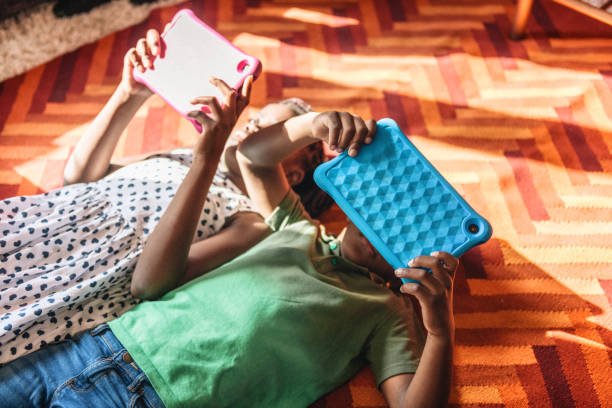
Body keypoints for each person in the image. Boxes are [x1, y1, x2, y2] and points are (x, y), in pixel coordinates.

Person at [0, 81, 459, 407]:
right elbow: (253, 157)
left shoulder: (383, 312)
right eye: (382, 209)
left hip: (152, 398)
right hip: (92, 346)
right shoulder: (297, 228)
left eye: (408, 234)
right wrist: (316, 123)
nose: (383, 227)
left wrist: (440, 330)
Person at [0, 28, 330, 363]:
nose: (250, 128)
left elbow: (149, 284)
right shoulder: (182, 156)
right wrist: (129, 95)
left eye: (272, 133)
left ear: (292, 175)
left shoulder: (250, 221)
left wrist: (208, 158)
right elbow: (80, 180)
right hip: (40, 220)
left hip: (74, 277)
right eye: (256, 119)